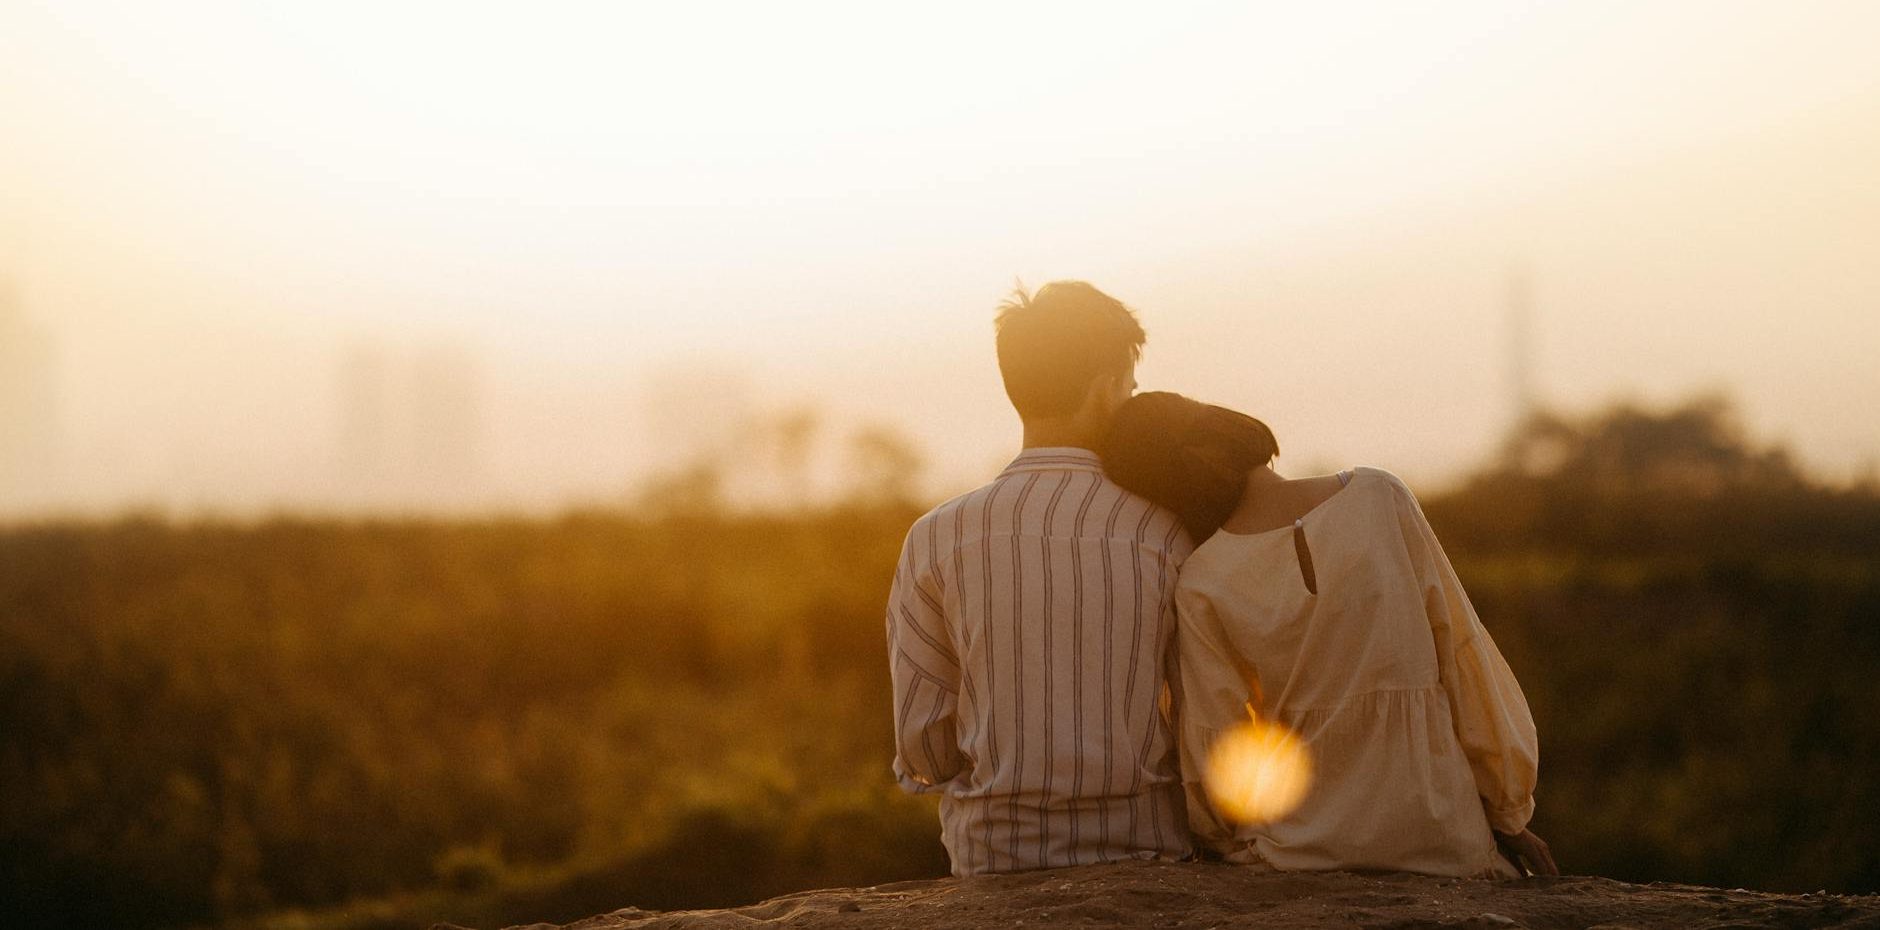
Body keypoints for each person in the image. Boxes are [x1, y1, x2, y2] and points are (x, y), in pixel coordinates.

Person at [1099, 391, 1558, 879]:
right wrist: (1507, 813)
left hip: (1298, 852)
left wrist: (1220, 838)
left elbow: (1218, 745)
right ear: (1227, 425)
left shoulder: (1201, 581)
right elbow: (1463, 656)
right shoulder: (1381, 497)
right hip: (1442, 836)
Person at [885, 282, 1196, 876]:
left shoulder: (935, 537)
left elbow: (922, 743)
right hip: (1147, 851)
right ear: (1107, 388)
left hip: (996, 856)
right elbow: (1201, 713)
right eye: (1129, 387)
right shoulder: (1166, 532)